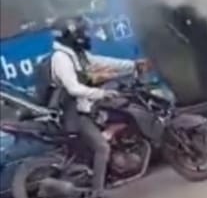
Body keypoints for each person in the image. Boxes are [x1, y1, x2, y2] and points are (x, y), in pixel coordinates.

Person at [41, 16, 147, 198]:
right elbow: (73, 88)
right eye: (82, 33)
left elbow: (101, 62)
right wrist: (101, 94)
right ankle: (98, 192)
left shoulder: (76, 54)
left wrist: (132, 66)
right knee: (102, 147)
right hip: (73, 113)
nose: (86, 36)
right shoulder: (62, 58)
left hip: (85, 107)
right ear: (71, 35)